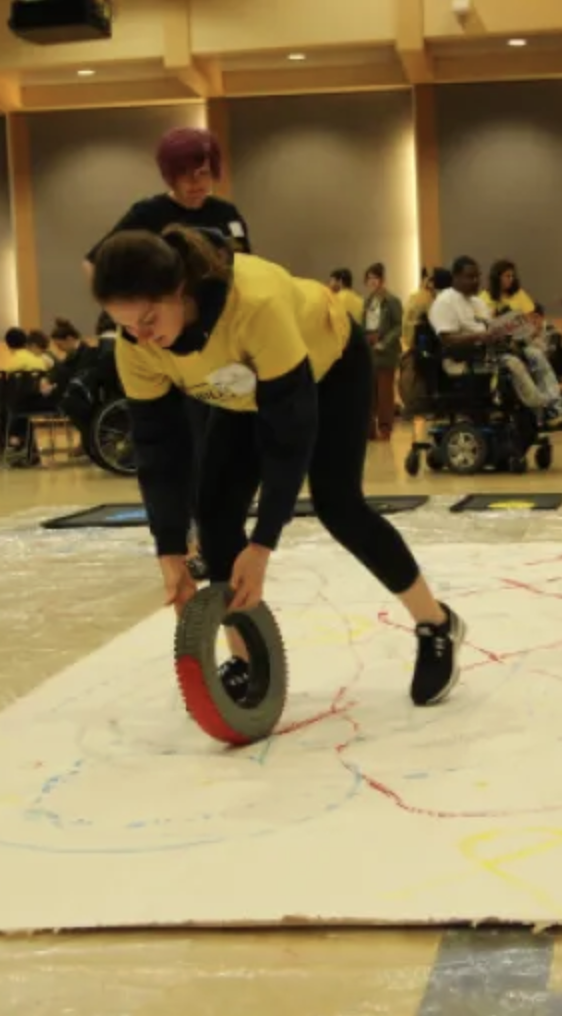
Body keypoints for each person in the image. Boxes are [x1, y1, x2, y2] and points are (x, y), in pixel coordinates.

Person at [90, 225, 467, 708]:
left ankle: (436, 623)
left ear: (179, 289)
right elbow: (157, 449)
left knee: (339, 505)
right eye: (125, 326)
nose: (143, 338)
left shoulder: (256, 303)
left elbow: (288, 437)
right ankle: (249, 661)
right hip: (238, 384)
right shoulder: (136, 347)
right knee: (216, 515)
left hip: (326, 366)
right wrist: (169, 548)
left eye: (147, 319)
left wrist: (265, 541)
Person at [430, 257, 562, 427]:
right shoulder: (444, 302)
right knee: (513, 364)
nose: (475, 281)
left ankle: (554, 405)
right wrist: (481, 337)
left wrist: (510, 330)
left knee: (534, 354)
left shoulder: (477, 302)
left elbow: (491, 326)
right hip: (465, 358)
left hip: (491, 350)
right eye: (470, 277)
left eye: (477, 276)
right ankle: (541, 409)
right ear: (455, 277)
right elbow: (447, 340)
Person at [363, 263, 402, 441]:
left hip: (385, 352)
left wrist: (385, 342)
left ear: (382, 280)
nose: (372, 281)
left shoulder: (392, 300)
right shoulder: (368, 300)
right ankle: (370, 429)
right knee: (369, 392)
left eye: (375, 278)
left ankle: (385, 428)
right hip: (370, 350)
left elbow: (398, 326)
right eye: (369, 278)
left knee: (385, 392)